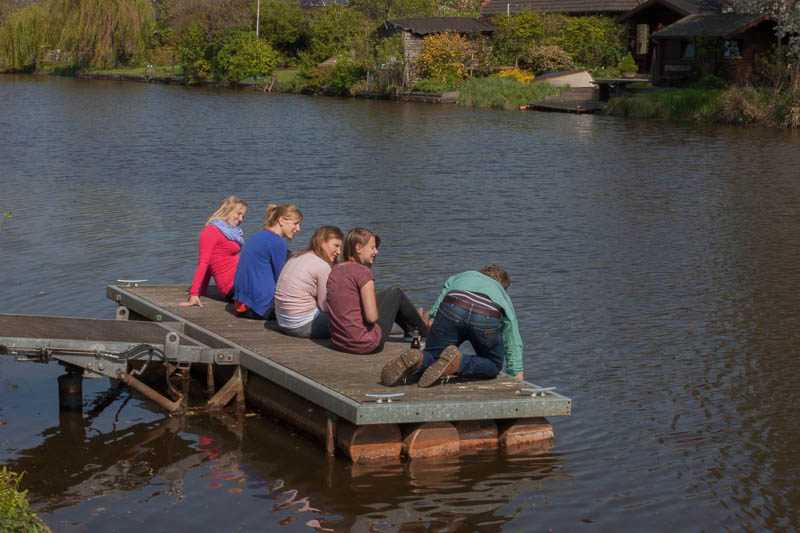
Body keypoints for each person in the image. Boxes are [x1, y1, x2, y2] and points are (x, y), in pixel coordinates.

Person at [380, 265, 524, 388]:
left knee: (434, 355)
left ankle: (420, 359)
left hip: (454, 304)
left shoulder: (463, 276)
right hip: (486, 314)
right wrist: (517, 376)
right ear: (503, 286)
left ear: (481, 273)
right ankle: (459, 362)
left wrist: (433, 344)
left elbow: (432, 320)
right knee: (493, 364)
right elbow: (512, 340)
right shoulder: (502, 295)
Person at [326, 228, 430, 354]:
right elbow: (372, 318)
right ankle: (424, 333)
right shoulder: (363, 272)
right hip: (366, 343)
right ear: (358, 248)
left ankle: (411, 331)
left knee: (387, 295)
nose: (376, 251)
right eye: (372, 248)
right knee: (395, 293)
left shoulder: (335, 270)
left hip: (340, 342)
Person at [232, 204, 302, 319]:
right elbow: (282, 280)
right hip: (260, 308)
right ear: (281, 220)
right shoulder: (277, 242)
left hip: (242, 305)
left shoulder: (258, 235)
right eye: (296, 223)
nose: (298, 228)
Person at [273, 226, 343, 338]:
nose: (339, 252)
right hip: (301, 326)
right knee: (350, 321)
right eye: (336, 246)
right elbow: (325, 307)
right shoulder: (322, 265)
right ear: (322, 243)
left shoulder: (295, 257)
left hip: (282, 322)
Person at [180, 196, 248, 308]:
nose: (241, 219)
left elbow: (211, 263)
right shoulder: (211, 231)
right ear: (228, 211)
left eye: (243, 216)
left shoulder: (231, 232)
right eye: (239, 214)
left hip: (242, 280)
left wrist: (202, 290)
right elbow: (204, 263)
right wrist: (194, 294)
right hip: (232, 286)